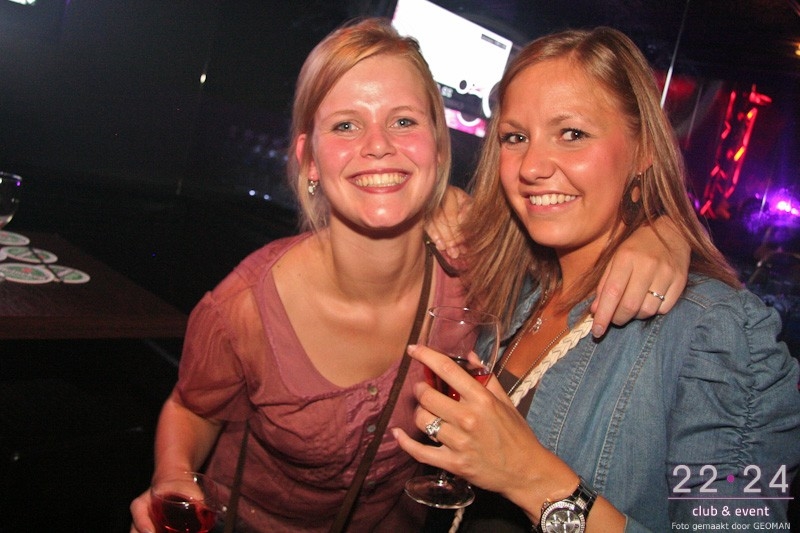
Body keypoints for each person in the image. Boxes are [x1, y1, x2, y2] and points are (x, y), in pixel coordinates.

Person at [129, 20, 690, 532]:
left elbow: (590, 226)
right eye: (346, 125)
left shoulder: (481, 267)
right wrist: (172, 477)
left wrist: (661, 230)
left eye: (403, 122)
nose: (378, 146)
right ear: (310, 159)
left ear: (438, 148)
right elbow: (191, 406)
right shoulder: (245, 308)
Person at [395, 27, 800, 533]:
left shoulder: (717, 332)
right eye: (515, 138)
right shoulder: (524, 292)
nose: (532, 167)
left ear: (642, 150)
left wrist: (530, 478)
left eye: (572, 134)